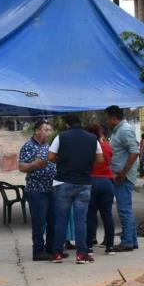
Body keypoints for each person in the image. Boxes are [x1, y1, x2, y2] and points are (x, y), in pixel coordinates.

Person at [48, 113, 103, 264]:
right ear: (81, 122)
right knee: (81, 220)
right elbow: (100, 159)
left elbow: (51, 157)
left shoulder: (61, 136)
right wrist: (85, 162)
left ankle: (57, 254)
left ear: (67, 124)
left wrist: (64, 159)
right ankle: (81, 255)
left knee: (61, 220)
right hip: (84, 183)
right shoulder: (92, 138)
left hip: (63, 182)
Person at [18, 119, 58, 261]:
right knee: (39, 222)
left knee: (53, 221)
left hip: (51, 189)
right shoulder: (28, 146)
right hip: (36, 190)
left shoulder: (49, 146)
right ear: (37, 131)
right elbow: (22, 167)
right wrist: (36, 164)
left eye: (49, 130)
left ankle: (52, 249)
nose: (48, 133)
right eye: (45, 130)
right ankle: (38, 251)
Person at [105, 106, 140, 253]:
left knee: (124, 210)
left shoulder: (124, 130)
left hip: (123, 177)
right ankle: (132, 240)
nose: (107, 122)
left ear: (114, 118)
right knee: (126, 209)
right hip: (119, 175)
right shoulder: (118, 131)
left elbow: (134, 151)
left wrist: (124, 172)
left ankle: (127, 242)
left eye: (108, 118)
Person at [85, 123, 116, 258]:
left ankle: (89, 246)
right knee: (107, 215)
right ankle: (110, 246)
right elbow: (110, 158)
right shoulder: (106, 146)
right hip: (107, 182)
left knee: (90, 215)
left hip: (90, 182)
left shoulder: (85, 147)